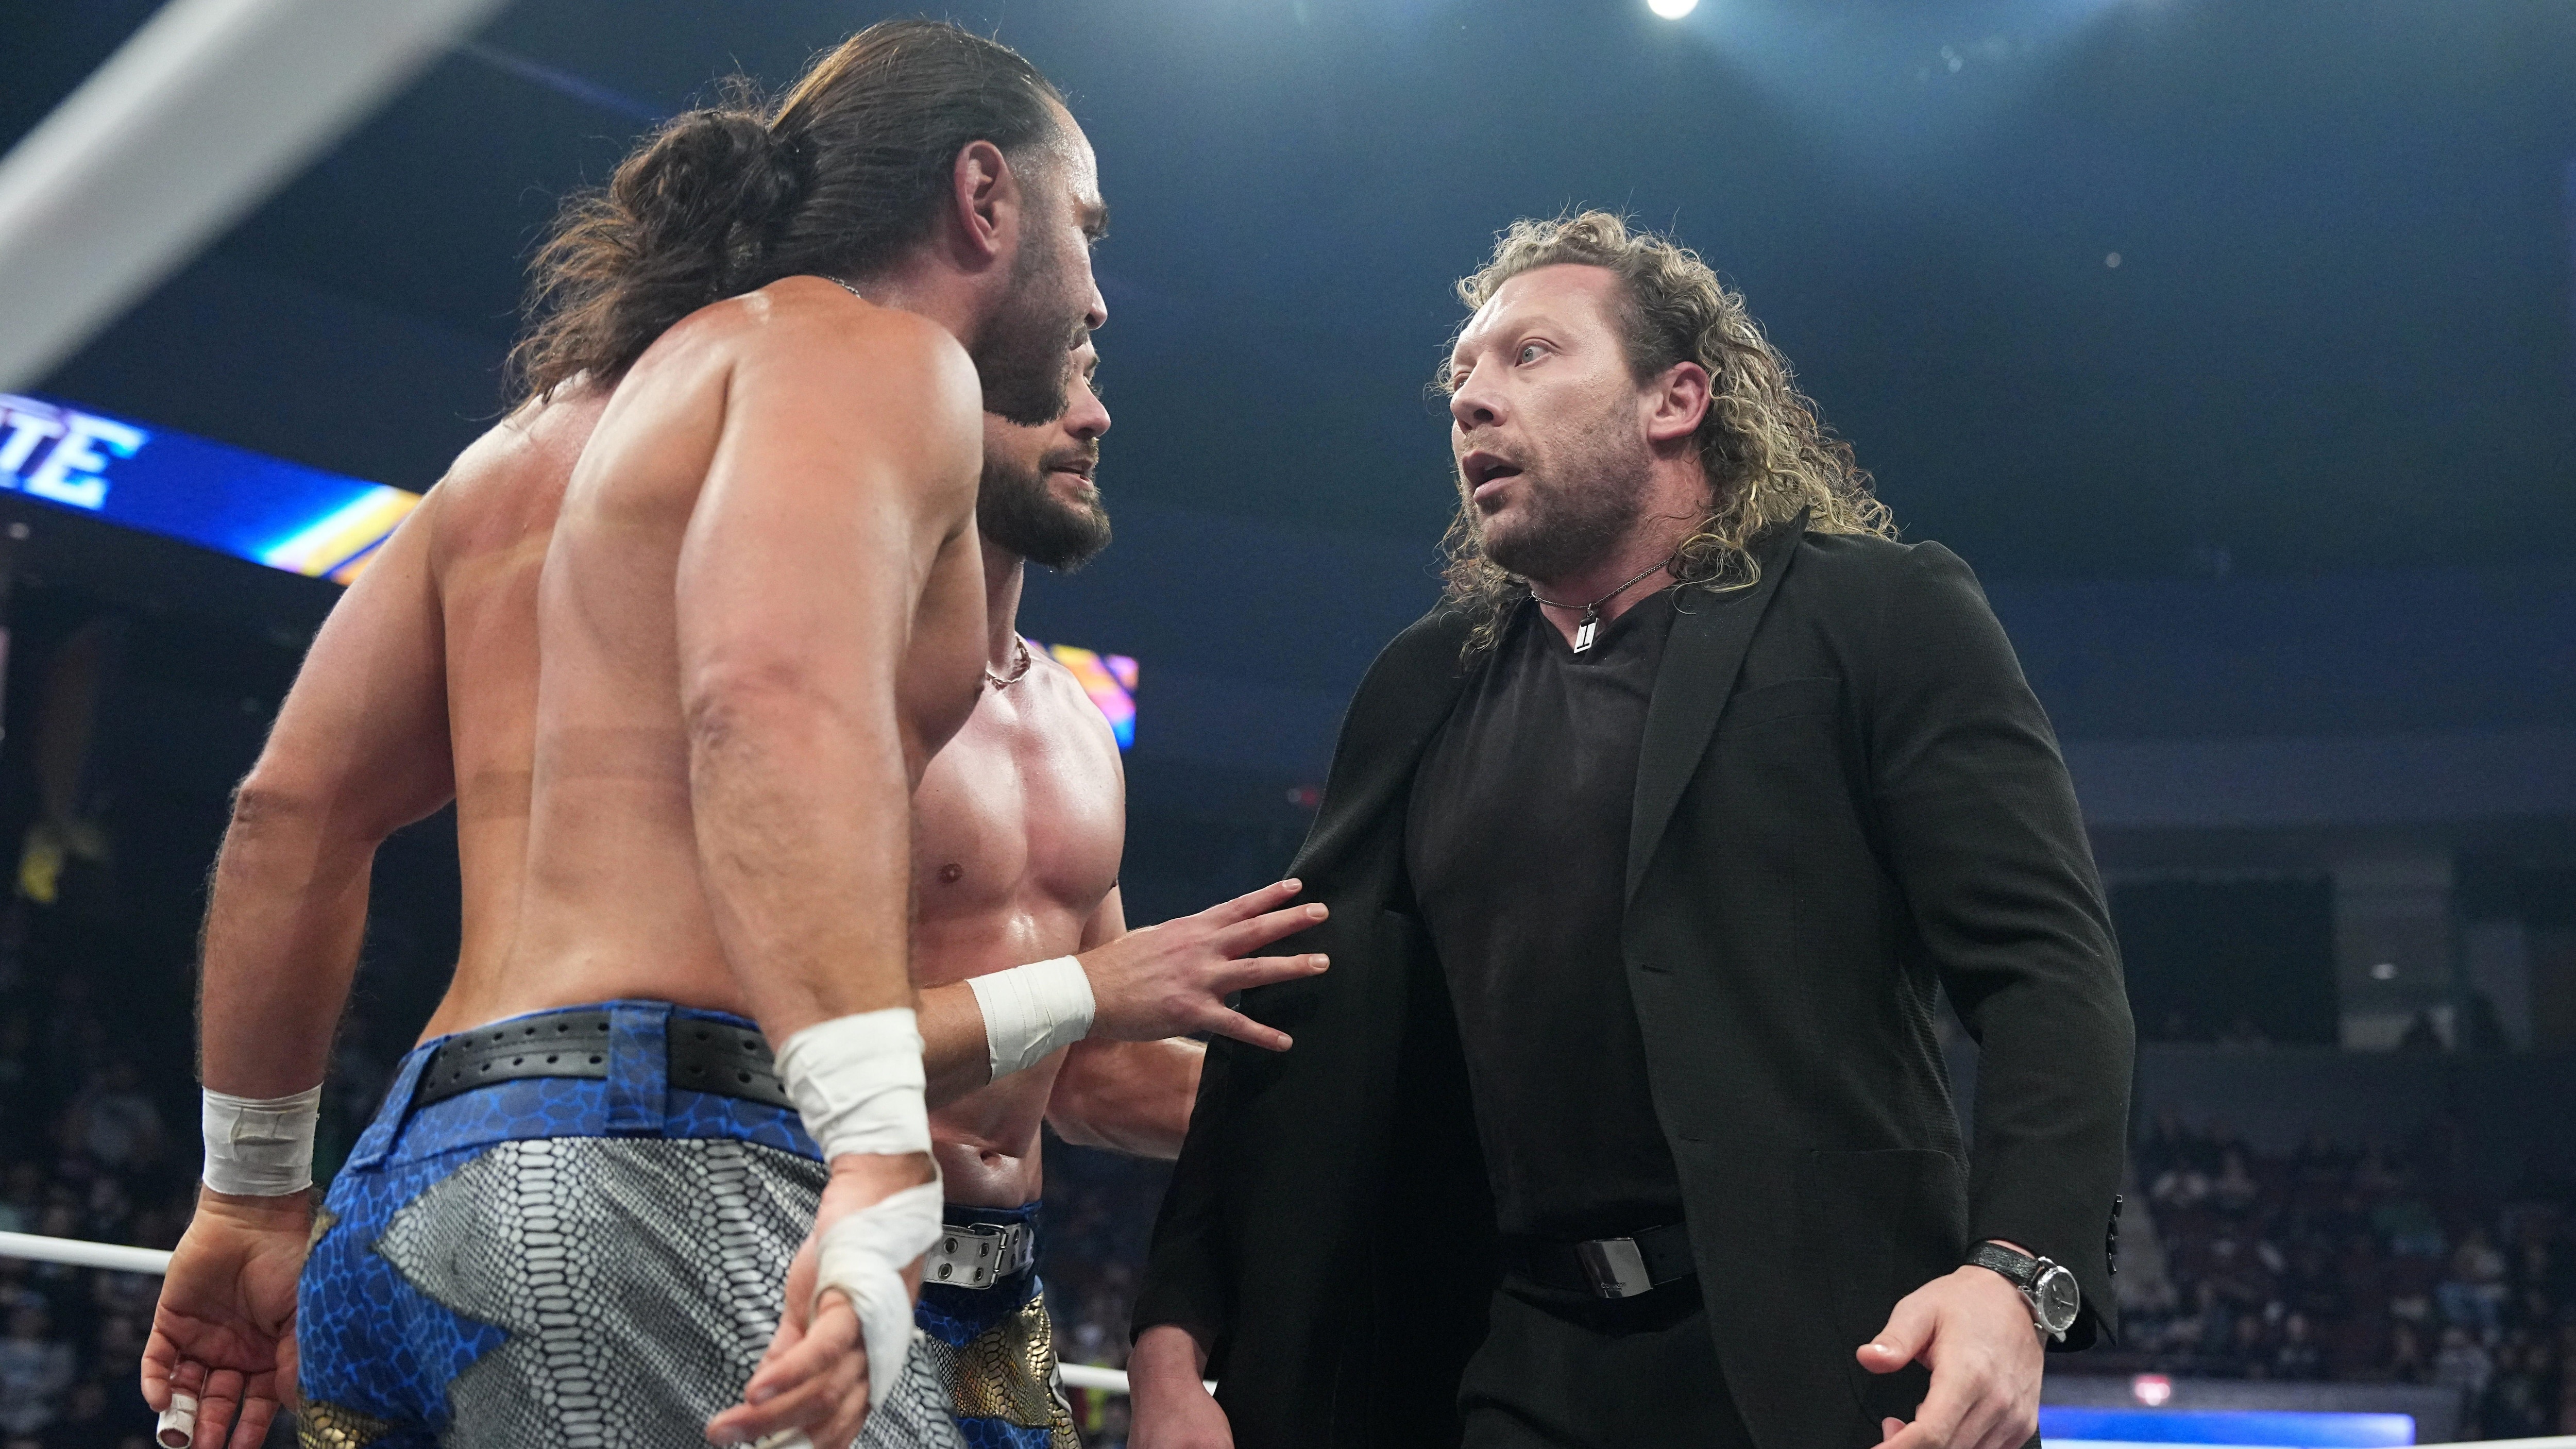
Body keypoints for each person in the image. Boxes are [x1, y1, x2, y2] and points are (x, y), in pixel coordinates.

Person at [141, 22, 1126, 1449]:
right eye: (1085, 225)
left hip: (401, 1199)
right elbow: (765, 693)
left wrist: (246, 1192)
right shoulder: (874, 358)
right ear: (984, 198)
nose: (1096, 290)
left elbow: (288, 811)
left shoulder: (529, 447)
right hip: (656, 1169)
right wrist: (873, 1146)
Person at [1128, 213, 2134, 1449]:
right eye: (1461, 375)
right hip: (1514, 1360)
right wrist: (1172, 1326)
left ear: (1676, 398)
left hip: (1832, 1356)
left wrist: (2018, 1273)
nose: (1470, 400)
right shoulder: (1426, 686)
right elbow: (1286, 1002)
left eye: (1530, 354)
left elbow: (2045, 967)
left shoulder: (1872, 614)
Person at [887, 340, 1298, 1447]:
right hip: (812, 1249)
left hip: (998, 1290)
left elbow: (1093, 1077)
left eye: (1093, 376)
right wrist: (1087, 988)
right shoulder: (836, 679)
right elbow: (775, 1046)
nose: (1093, 416)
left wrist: (1348, 1119)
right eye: (1049, 382)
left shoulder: (1072, 721)